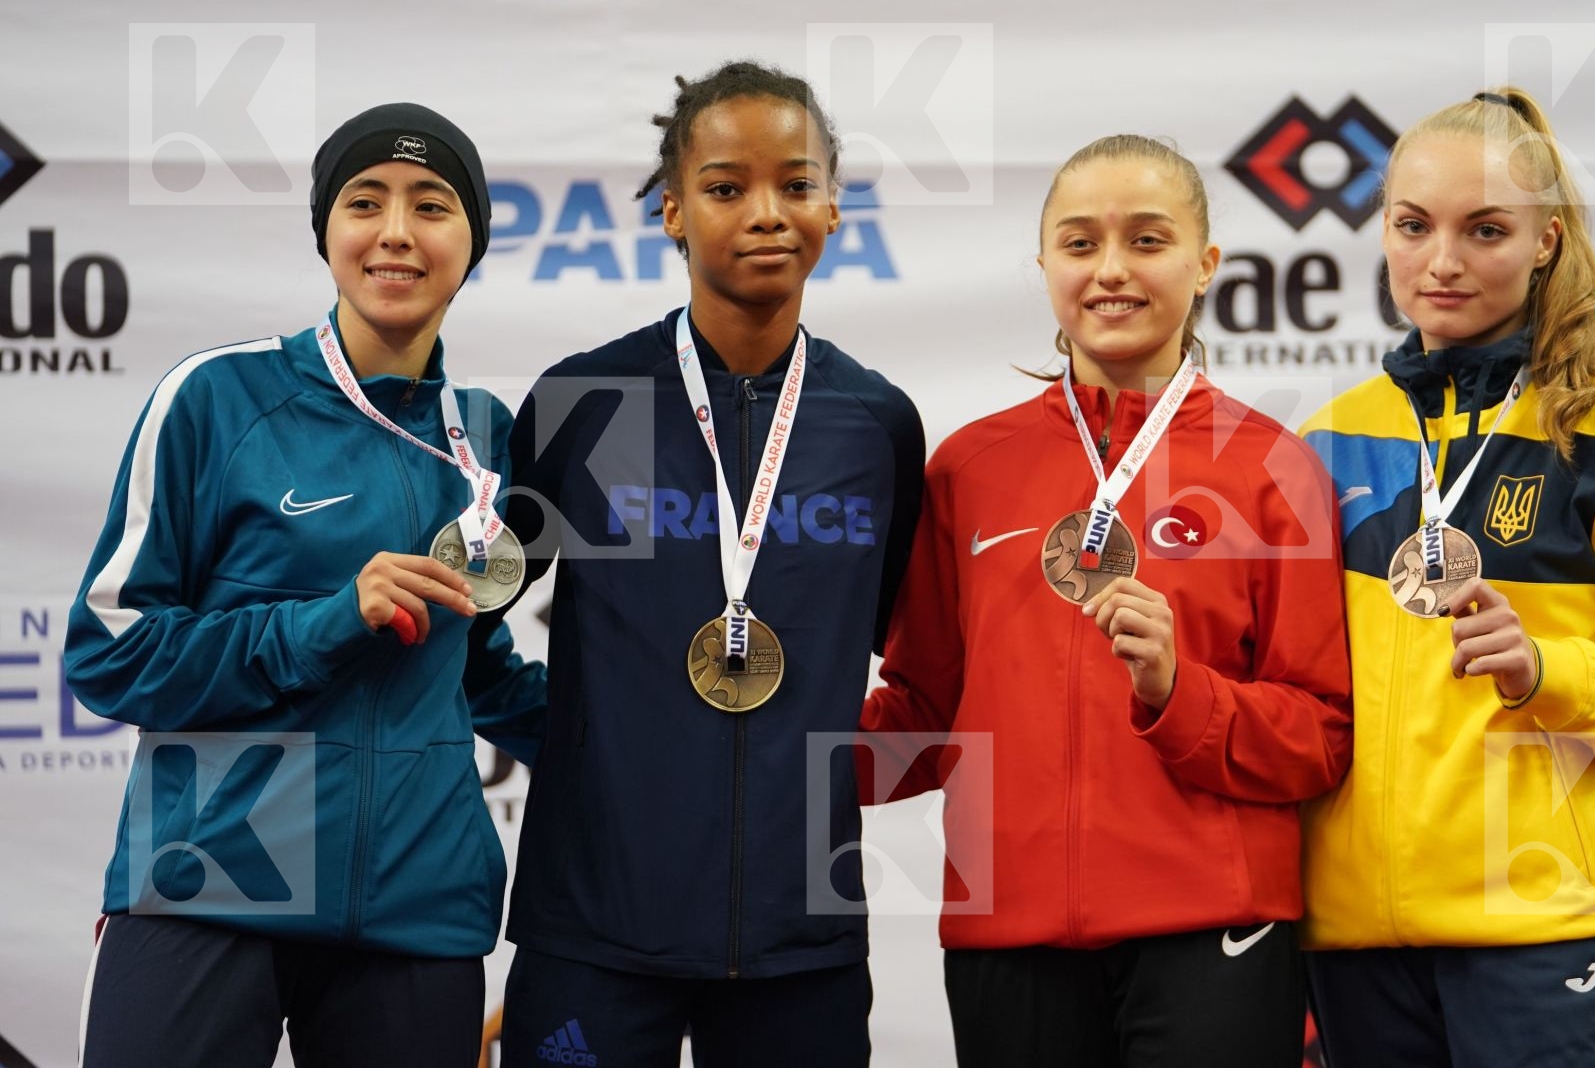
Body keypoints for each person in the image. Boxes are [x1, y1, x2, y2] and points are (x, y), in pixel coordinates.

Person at [64, 102, 547, 1068]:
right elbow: (108, 651)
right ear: (327, 229)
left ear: (473, 240)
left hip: (418, 905)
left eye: (433, 204)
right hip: (216, 884)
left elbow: (474, 664)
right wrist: (328, 621)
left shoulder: (488, 433)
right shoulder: (216, 397)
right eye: (366, 201)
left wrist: (654, 732)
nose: (397, 232)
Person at [860, 134, 1353, 1067]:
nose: (1112, 270)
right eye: (1080, 243)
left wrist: (1178, 693)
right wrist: (760, 754)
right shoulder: (971, 466)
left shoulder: (1273, 467)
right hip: (1009, 935)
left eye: (1148, 240)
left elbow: (1321, 736)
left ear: (1206, 266)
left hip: (1214, 929)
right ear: (1044, 263)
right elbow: (929, 713)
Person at [485, 61, 924, 1068]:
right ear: (673, 211)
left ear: (833, 208)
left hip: (798, 939)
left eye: (796, 184)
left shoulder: (876, 425)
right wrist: (580, 745)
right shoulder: (587, 404)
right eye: (727, 188)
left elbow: (911, 653)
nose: (765, 213)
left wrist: (813, 779)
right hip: (593, 925)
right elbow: (473, 618)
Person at [1299, 87, 1595, 1067]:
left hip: (1549, 933)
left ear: (1545, 241)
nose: (1441, 261)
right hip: (1357, 942)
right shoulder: (1324, 437)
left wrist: (1547, 671)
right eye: (1413, 227)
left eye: (1484, 229)